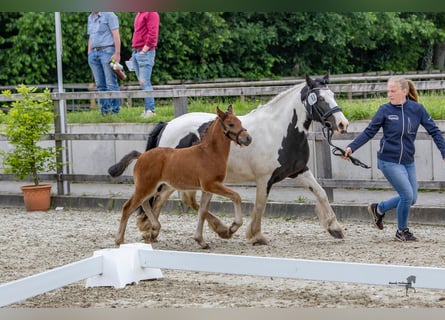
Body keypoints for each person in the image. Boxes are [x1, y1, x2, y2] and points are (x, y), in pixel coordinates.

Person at [343, 76, 445, 242]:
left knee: (412, 198)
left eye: (393, 90)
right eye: (388, 90)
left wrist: (443, 151)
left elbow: (434, 131)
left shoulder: (417, 109)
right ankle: (402, 231)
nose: (389, 94)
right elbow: (369, 132)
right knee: (406, 195)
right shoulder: (384, 110)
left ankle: (379, 209)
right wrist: (351, 147)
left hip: (407, 161)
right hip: (388, 161)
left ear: (404, 91)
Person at [87, 12, 121, 115]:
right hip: (94, 53)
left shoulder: (110, 15)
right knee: (100, 84)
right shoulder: (90, 17)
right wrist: (89, 52)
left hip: (107, 51)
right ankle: (104, 111)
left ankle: (115, 111)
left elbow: (116, 34)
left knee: (111, 83)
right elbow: (91, 36)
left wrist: (117, 53)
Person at [131, 12, 160, 118]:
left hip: (145, 51)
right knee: (142, 83)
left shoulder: (151, 13)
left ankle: (150, 110)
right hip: (136, 50)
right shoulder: (139, 14)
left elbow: (153, 33)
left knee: (145, 82)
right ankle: (147, 109)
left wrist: (144, 50)